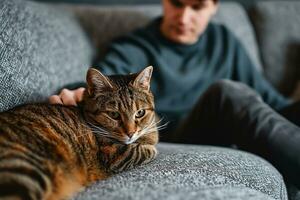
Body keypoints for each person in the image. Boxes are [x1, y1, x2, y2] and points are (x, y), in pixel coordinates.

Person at [49, 0, 300, 187]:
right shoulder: (136, 46)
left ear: (214, 6)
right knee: (226, 93)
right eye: (177, 4)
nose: (183, 17)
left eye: (197, 6)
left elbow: (273, 105)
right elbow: (107, 81)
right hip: (174, 134)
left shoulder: (224, 41)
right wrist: (78, 93)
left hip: (234, 131)